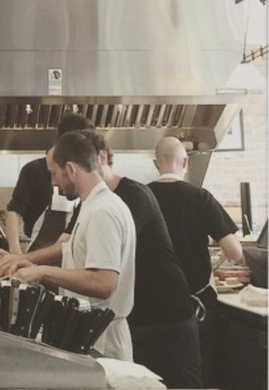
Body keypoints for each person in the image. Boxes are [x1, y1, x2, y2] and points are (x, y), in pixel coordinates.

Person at [0, 132, 137, 361]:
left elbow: (103, 283)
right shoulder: (92, 205)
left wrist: (42, 271)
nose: (53, 182)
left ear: (71, 169)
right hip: (90, 333)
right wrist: (29, 264)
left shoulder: (103, 212)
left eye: (54, 173)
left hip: (103, 342)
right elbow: (75, 259)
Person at [78, 130, 202, 387]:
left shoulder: (130, 197)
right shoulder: (91, 202)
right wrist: (26, 261)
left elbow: (102, 267)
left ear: (101, 158)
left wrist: (35, 267)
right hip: (138, 319)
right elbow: (66, 243)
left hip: (168, 318)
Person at [148, 136, 243, 387]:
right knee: (192, 379)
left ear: (156, 164)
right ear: (186, 161)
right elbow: (235, 252)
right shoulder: (200, 197)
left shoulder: (141, 196)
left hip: (147, 309)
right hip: (192, 308)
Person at [5, 113, 93, 254]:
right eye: (53, 173)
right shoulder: (34, 170)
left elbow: (71, 233)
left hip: (66, 255)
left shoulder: (86, 178)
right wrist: (16, 253)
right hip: (33, 253)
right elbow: (14, 211)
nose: (56, 181)